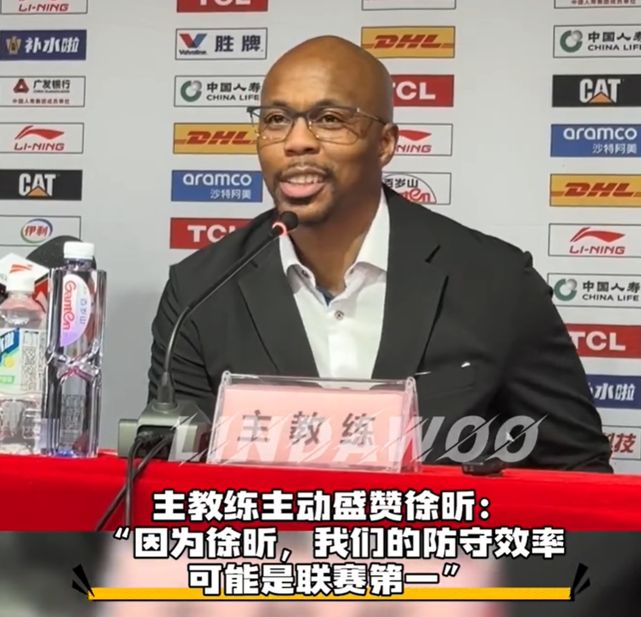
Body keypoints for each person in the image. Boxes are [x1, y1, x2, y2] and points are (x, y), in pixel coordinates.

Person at [148, 35, 612, 472]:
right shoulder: (199, 294)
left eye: (330, 119)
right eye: (276, 119)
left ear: (385, 143)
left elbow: (578, 471)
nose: (296, 141)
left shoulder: (496, 283)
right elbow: (175, 479)